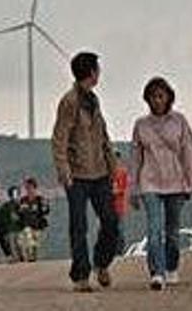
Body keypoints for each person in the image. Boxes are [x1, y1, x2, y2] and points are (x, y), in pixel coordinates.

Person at [51, 51, 119, 292]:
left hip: (100, 172)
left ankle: (101, 263)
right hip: (77, 175)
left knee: (111, 221)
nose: (99, 73)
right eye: (97, 69)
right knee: (79, 226)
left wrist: (113, 167)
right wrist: (64, 170)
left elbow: (103, 136)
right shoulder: (69, 102)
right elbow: (59, 138)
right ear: (91, 72)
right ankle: (81, 275)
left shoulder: (94, 100)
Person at [131, 77, 192, 291]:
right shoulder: (140, 125)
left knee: (172, 232)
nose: (157, 100)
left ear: (168, 97)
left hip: (176, 182)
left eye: (161, 95)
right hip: (150, 182)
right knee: (154, 230)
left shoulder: (179, 121)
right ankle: (157, 273)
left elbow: (188, 152)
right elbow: (135, 158)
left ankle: (171, 267)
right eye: (153, 96)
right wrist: (133, 189)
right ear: (147, 99)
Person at [16, 177, 50, 263]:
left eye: (30, 187)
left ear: (35, 188)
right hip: (26, 225)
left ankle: (33, 258)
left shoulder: (40, 199)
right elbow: (18, 213)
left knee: (34, 245)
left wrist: (45, 205)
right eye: (27, 188)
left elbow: (46, 211)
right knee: (26, 238)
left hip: (37, 225)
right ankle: (27, 257)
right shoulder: (23, 200)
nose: (29, 190)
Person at [0, 186, 23, 263]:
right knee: (10, 238)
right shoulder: (5, 207)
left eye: (16, 195)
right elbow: (1, 221)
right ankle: (13, 256)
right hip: (10, 232)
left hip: (20, 232)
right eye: (14, 195)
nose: (15, 198)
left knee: (17, 239)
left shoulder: (22, 206)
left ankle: (16, 256)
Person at [111, 151, 130, 255]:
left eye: (116, 158)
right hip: (108, 207)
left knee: (120, 230)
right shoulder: (107, 173)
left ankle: (120, 252)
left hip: (119, 206)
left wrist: (113, 191)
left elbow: (123, 189)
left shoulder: (123, 172)